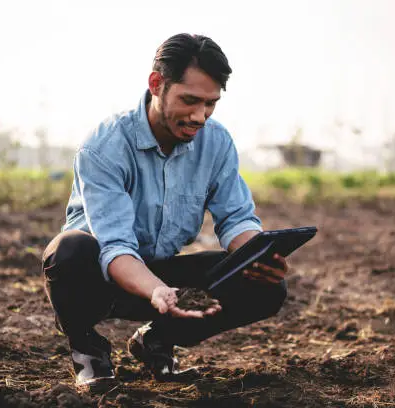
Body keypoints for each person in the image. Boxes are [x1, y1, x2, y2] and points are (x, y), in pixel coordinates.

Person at [41, 33, 290, 389]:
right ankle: (87, 348)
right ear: (157, 84)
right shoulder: (106, 146)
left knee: (266, 285)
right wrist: (157, 290)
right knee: (68, 252)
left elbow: (236, 219)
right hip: (100, 275)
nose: (199, 116)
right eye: (189, 100)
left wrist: (259, 256)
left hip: (160, 272)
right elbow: (115, 247)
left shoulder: (216, 142)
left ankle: (156, 340)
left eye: (211, 104)